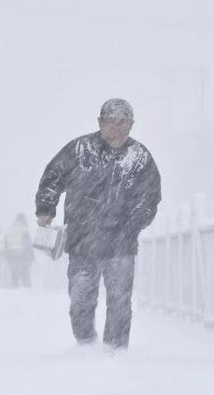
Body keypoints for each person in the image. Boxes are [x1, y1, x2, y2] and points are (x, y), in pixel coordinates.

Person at [35, 98, 161, 351]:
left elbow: (149, 197)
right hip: (83, 241)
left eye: (123, 122)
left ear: (131, 125)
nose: (117, 128)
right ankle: (85, 344)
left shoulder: (140, 157)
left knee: (120, 300)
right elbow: (53, 176)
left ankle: (114, 352)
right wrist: (46, 208)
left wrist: (130, 226)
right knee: (81, 299)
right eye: (111, 122)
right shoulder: (80, 149)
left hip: (121, 244)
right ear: (100, 123)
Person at [3, 213, 35, 288]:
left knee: (14, 275)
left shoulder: (10, 229)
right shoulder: (24, 230)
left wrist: (7, 255)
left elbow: (6, 243)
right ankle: (27, 293)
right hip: (23, 257)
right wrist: (31, 256)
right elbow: (28, 244)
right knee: (25, 276)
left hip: (12, 256)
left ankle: (14, 290)